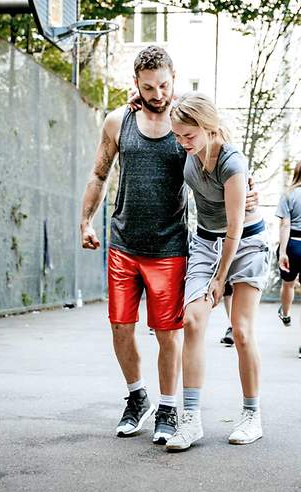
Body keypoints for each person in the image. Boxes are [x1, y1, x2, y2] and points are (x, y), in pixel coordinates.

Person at [80, 46, 257, 445]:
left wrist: (249, 189)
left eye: (163, 85)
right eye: (148, 87)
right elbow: (98, 173)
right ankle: (137, 397)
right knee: (121, 326)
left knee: (168, 332)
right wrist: (85, 220)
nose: (157, 93)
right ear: (135, 85)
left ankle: (167, 408)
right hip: (123, 242)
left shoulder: (187, 127)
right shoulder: (117, 121)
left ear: (174, 78)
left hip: (170, 246)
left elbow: (223, 152)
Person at [165, 92, 270, 451]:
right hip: (206, 242)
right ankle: (190, 419)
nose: (182, 143)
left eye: (188, 136)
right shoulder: (191, 153)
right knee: (192, 321)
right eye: (177, 136)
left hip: (245, 244)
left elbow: (236, 228)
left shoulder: (232, 163)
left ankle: (252, 415)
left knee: (240, 330)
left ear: (208, 128)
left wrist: (220, 278)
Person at [275, 161, 301, 356]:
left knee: (288, 284)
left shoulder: (289, 194)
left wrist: (283, 252)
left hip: (293, 243)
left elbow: (285, 225)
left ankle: (286, 314)